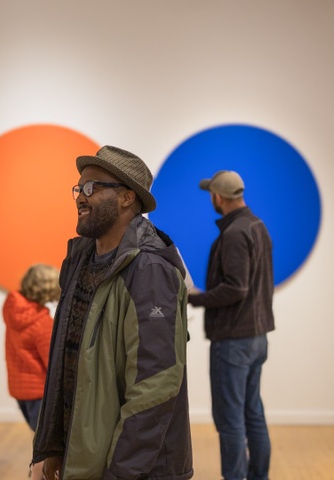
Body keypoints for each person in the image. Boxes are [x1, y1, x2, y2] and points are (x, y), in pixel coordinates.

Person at [32, 145, 193, 480]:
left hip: (135, 468)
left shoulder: (150, 270)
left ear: (126, 198)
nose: (80, 197)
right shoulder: (81, 259)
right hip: (87, 456)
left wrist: (121, 472)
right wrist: (54, 447)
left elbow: (155, 386)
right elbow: (69, 364)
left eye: (93, 187)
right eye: (79, 188)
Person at [188, 170, 275, 480]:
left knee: (230, 419)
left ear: (218, 197)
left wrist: (195, 299)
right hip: (257, 336)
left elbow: (236, 288)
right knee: (252, 412)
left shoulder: (235, 233)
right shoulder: (258, 226)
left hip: (234, 340)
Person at [3, 263, 60, 480]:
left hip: (19, 389)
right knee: (46, 446)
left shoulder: (13, 310)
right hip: (40, 392)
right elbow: (52, 364)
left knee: (39, 439)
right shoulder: (42, 322)